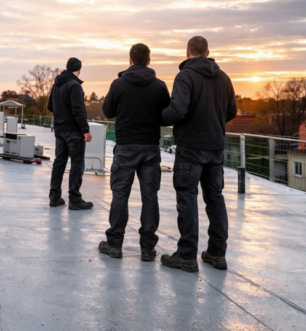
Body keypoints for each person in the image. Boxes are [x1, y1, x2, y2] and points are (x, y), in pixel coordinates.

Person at [160, 36, 237, 273]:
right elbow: (232, 110)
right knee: (215, 198)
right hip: (215, 147)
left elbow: (177, 110)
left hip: (191, 147)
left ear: (188, 52)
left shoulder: (185, 76)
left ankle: (186, 255)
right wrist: (213, 123)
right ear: (207, 52)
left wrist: (160, 117)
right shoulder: (224, 77)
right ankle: (217, 253)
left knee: (187, 197)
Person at [98, 43, 170, 261]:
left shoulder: (118, 84)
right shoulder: (160, 86)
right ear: (149, 60)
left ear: (130, 60)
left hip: (126, 146)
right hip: (150, 147)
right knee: (150, 196)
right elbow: (166, 115)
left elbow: (108, 111)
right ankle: (147, 248)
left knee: (120, 194)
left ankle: (115, 245)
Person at [47, 57, 93, 210]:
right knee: (77, 163)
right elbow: (78, 110)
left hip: (60, 130)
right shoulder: (74, 86)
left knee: (59, 162)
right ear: (78, 70)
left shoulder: (57, 85)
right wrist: (85, 130)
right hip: (73, 131)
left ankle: (54, 197)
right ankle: (75, 199)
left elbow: (50, 106)